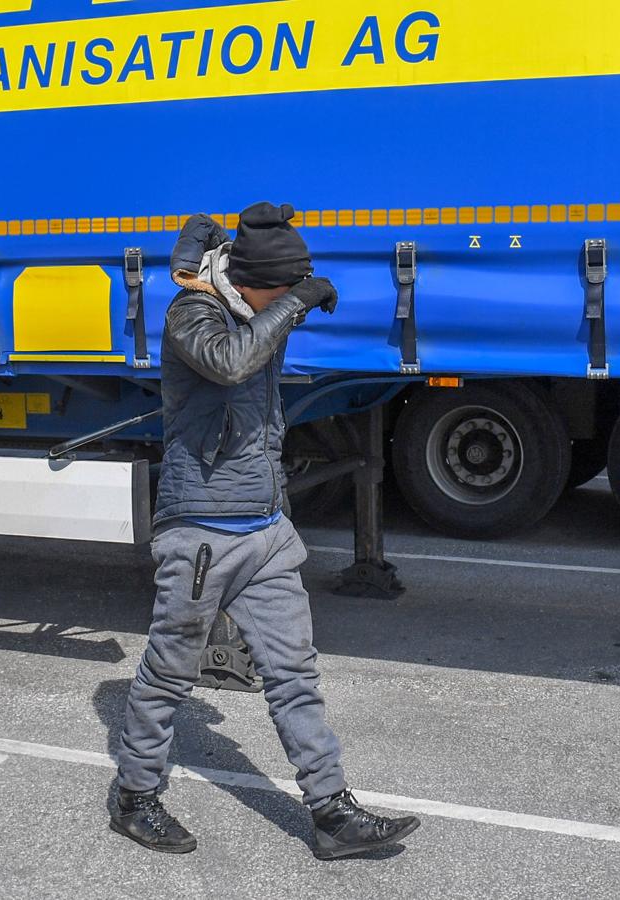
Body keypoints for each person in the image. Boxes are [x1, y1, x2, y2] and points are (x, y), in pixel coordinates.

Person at [110, 203, 420, 860]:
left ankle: (332, 813)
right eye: (280, 288)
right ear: (252, 282)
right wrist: (296, 300)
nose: (288, 302)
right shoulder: (192, 315)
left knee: (294, 674)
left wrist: (280, 292)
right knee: (169, 674)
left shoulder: (247, 305)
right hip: (200, 531)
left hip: (266, 528)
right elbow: (229, 363)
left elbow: (228, 281)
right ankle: (135, 797)